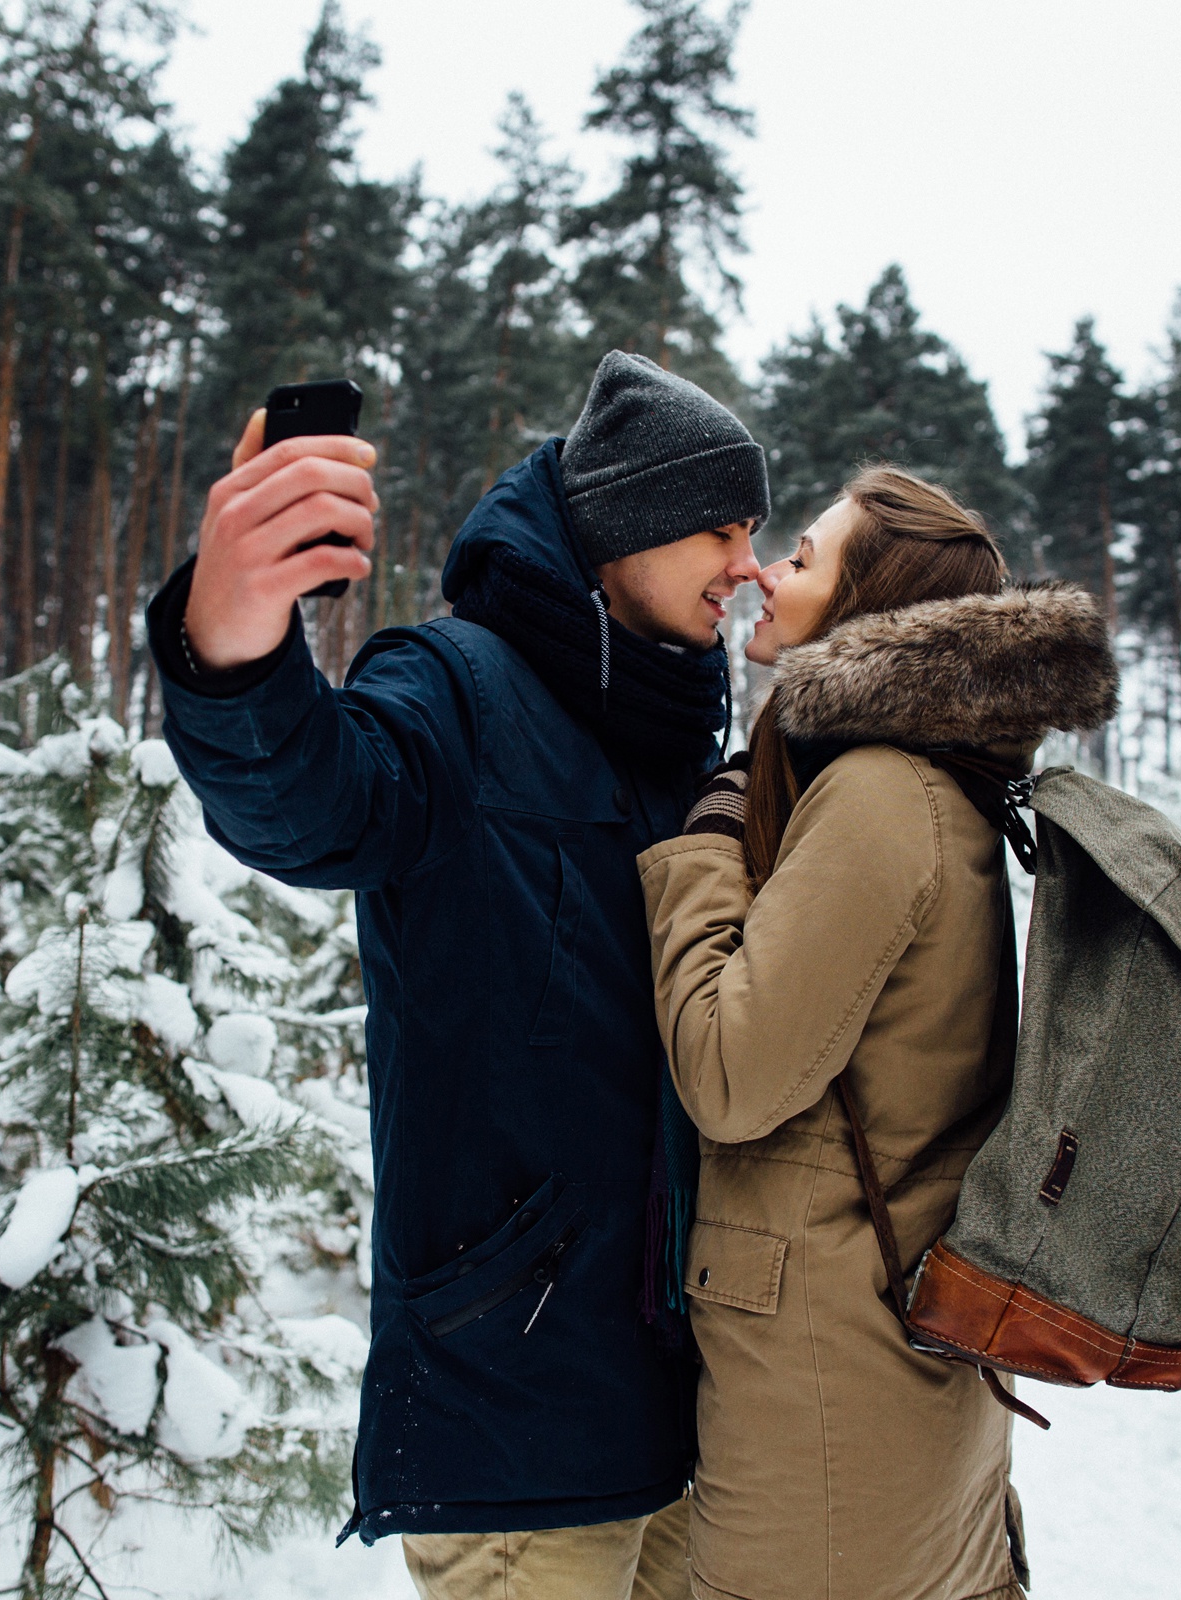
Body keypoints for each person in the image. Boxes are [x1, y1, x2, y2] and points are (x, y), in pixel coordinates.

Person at [147, 350, 771, 1600]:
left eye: (754, 528)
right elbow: (312, 800)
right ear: (621, 528)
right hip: (517, 1407)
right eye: (716, 523)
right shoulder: (454, 684)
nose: (745, 563)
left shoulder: (672, 740)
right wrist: (231, 641)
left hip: (689, 1416)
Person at [638, 467, 1117, 1600]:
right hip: (889, 1371)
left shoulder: (880, 796)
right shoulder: (928, 786)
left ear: (870, 610)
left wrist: (703, 848)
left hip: (829, 1402)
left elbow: (730, 1073)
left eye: (801, 557)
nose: (762, 569)